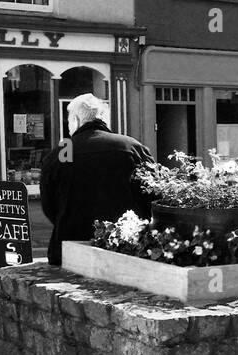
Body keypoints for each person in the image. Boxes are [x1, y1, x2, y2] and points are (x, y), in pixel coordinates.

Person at [40, 94, 155, 266]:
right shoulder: (130, 147)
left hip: (70, 247)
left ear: (76, 120)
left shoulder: (62, 152)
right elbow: (152, 196)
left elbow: (49, 204)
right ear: (104, 120)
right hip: (125, 248)